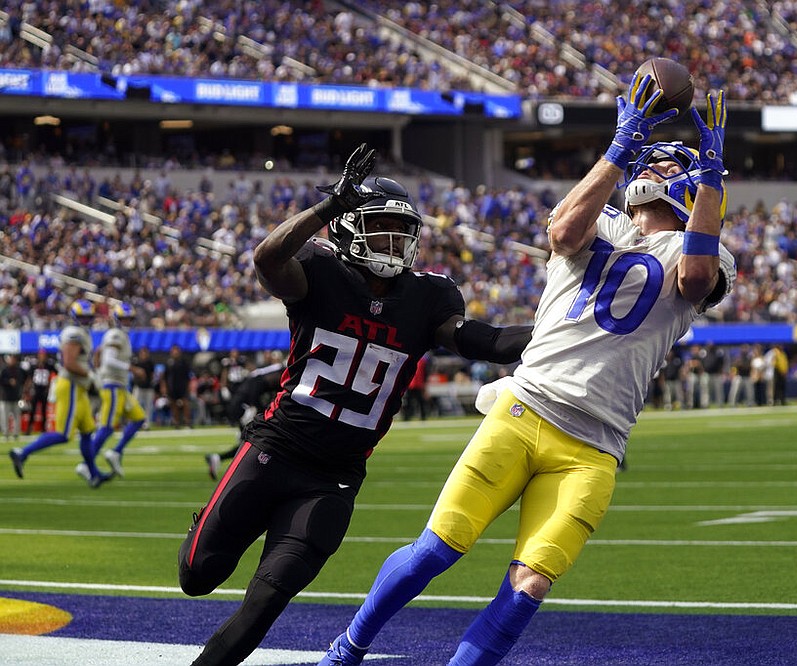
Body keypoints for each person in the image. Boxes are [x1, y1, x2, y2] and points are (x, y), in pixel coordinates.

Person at [317, 80, 736, 666]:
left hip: (595, 446)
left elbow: (692, 280)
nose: (660, 163)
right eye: (655, 155)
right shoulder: (605, 223)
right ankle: (348, 647)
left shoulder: (711, 252)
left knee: (530, 584)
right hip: (525, 409)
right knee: (438, 549)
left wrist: (714, 170)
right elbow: (563, 234)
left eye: (675, 160)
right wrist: (619, 147)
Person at [178, 143, 532, 666]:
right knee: (198, 575)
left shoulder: (428, 297)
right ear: (345, 230)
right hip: (275, 449)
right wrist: (327, 206)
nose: (393, 242)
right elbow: (267, 258)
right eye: (379, 228)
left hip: (334, 477)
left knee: (267, 599)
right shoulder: (318, 271)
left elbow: (488, 341)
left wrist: (567, 332)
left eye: (400, 231)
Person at [9, 300, 109, 487]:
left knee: (88, 431)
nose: (86, 320)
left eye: (88, 316)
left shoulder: (81, 333)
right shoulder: (74, 334)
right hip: (70, 386)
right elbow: (69, 363)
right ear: (74, 317)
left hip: (79, 389)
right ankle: (22, 453)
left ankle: (93, 474)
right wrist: (91, 374)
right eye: (82, 316)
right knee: (63, 434)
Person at [204, 353, 286, 480]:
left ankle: (218, 459)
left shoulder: (271, 371)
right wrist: (253, 406)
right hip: (243, 407)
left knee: (251, 442)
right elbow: (258, 383)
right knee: (254, 442)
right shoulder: (280, 372)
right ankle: (239, 471)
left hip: (242, 404)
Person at [88, 302, 147, 478]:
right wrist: (132, 369)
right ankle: (87, 463)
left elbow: (99, 354)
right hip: (112, 385)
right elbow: (109, 360)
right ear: (117, 319)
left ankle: (116, 451)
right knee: (106, 427)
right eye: (124, 319)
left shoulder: (119, 335)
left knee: (138, 418)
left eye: (129, 319)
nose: (127, 322)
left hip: (119, 385)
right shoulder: (116, 334)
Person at [161, 344, 193, 428]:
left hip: (183, 386)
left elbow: (188, 376)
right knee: (173, 405)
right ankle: (176, 422)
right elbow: (164, 377)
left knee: (186, 403)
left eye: (176, 351)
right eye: (173, 351)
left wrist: (189, 386)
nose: (175, 352)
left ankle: (187, 422)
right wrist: (164, 387)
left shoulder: (184, 362)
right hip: (172, 387)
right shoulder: (168, 363)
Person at [26, 347, 56, 434]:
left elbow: (55, 373)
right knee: (32, 410)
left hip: (44, 390)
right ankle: (29, 428)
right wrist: (27, 390)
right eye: (40, 355)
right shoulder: (34, 366)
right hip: (36, 390)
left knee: (43, 410)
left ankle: (43, 429)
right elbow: (29, 378)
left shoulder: (49, 365)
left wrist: (50, 385)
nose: (42, 357)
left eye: (43, 355)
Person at [0, 354, 26, 441]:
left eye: (13, 359)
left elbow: (23, 381)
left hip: (16, 397)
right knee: (5, 417)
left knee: (17, 417)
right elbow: (1, 381)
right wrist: (8, 382)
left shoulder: (19, 370)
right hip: (5, 397)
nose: (12, 360)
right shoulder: (4, 370)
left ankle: (15, 433)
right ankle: (6, 433)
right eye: (11, 358)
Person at [132, 346, 156, 428]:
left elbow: (153, 374)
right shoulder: (136, 362)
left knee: (148, 406)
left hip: (148, 387)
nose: (144, 354)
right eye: (142, 352)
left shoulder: (150, 363)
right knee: (135, 404)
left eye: (145, 352)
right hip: (138, 386)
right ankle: (134, 422)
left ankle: (147, 423)